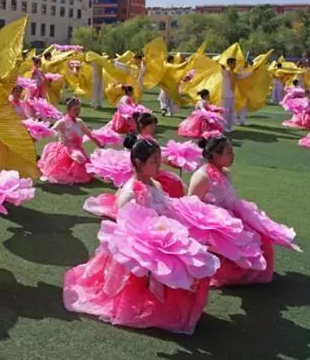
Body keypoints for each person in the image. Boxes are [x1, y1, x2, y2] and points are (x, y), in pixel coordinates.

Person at [63, 136, 215, 334]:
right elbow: (125, 231)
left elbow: (167, 209)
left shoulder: (154, 184)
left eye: (159, 160)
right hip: (141, 248)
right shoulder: (131, 193)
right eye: (154, 161)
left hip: (162, 238)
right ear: (138, 162)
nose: (159, 165)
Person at [188, 135, 298, 286]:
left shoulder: (225, 172)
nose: (232, 156)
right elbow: (190, 206)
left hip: (231, 219)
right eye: (228, 152)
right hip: (212, 225)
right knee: (243, 244)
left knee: (260, 235)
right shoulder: (202, 176)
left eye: (232, 152)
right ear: (214, 155)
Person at [37, 97, 95, 184]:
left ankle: (75, 173)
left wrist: (99, 144)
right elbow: (51, 130)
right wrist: (39, 130)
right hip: (64, 148)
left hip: (76, 148)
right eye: (75, 109)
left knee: (80, 158)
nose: (77, 112)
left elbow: (89, 134)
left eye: (79, 109)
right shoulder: (62, 122)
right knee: (77, 157)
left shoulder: (79, 122)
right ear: (68, 109)